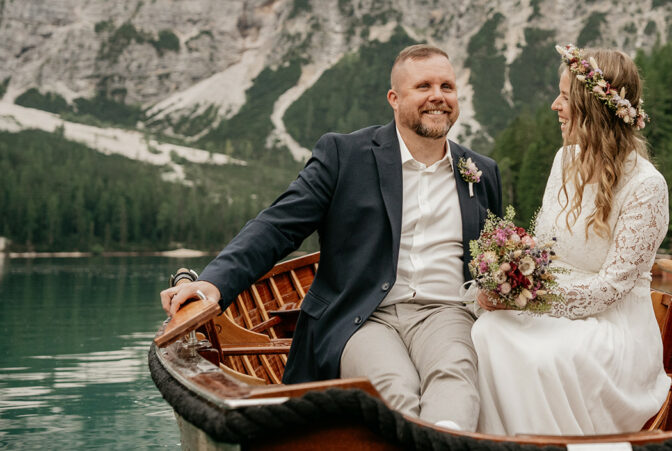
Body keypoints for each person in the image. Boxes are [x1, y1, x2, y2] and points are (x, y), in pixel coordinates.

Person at [160, 44, 502, 431]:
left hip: (445, 311)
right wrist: (212, 284)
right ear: (394, 98)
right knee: (393, 384)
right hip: (363, 315)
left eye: (447, 86)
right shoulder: (345, 154)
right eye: (423, 86)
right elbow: (277, 225)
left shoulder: (480, 172)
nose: (438, 96)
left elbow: (490, 257)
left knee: (455, 374)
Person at [471, 44, 670, 436]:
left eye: (564, 97)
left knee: (536, 354)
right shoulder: (564, 161)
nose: (554, 106)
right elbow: (545, 250)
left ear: (592, 108)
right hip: (555, 307)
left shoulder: (647, 186)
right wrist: (511, 281)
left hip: (613, 329)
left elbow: (610, 288)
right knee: (486, 330)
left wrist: (532, 301)